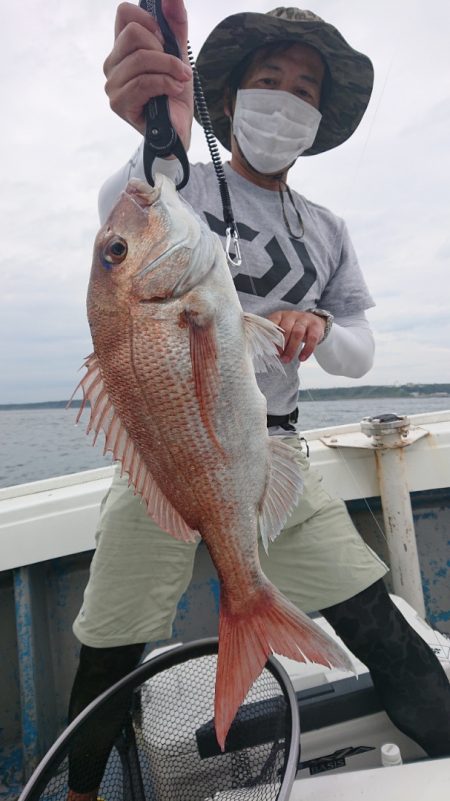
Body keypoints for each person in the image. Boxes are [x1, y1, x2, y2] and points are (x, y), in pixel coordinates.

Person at [67, 3, 450, 798]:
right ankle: (76, 790)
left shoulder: (328, 227)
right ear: (229, 99)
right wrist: (155, 126)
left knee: (379, 624)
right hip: (164, 463)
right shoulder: (176, 186)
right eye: (267, 81)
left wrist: (315, 326)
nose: (285, 99)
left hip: (276, 452)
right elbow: (130, 204)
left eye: (303, 89)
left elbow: (361, 351)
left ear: (317, 118)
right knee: (108, 651)